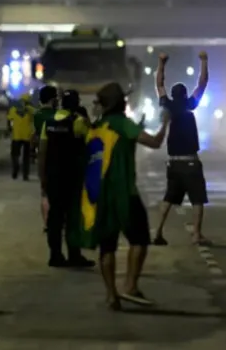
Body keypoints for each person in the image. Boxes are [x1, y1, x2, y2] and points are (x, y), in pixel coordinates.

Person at [84, 82, 169, 310]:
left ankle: (112, 295)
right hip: (126, 193)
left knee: (107, 247)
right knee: (140, 240)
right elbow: (154, 142)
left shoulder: (97, 126)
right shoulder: (123, 123)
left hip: (101, 194)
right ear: (121, 103)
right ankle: (130, 285)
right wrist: (165, 123)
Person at [152, 51, 211, 246]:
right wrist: (203, 61)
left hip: (174, 163)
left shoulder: (167, 107)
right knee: (197, 199)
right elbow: (202, 83)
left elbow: (159, 84)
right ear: (185, 95)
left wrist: (161, 63)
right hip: (191, 162)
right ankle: (196, 234)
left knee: (169, 198)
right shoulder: (189, 105)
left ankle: (158, 231)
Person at [38, 90, 96, 268]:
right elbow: (93, 143)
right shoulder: (78, 122)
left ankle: (55, 256)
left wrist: (43, 178)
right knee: (72, 218)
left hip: (53, 177)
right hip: (72, 176)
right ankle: (74, 255)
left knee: (55, 217)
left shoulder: (49, 122)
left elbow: (42, 152)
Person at [34, 86, 60, 231]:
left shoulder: (37, 115)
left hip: (42, 154)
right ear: (53, 99)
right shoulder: (57, 115)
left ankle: (47, 223)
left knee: (44, 191)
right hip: (58, 155)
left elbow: (36, 136)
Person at [7, 94, 36, 180]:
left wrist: (9, 129)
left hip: (16, 135)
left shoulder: (13, 110)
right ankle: (25, 175)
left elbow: (9, 120)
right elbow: (34, 119)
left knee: (15, 155)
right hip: (27, 136)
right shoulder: (30, 111)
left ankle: (15, 170)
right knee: (26, 157)